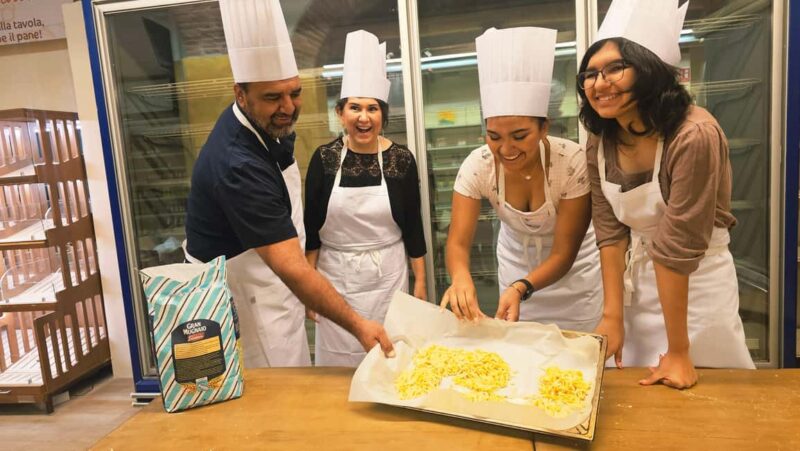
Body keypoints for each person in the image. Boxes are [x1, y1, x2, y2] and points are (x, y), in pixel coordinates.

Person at [184, 0, 393, 368]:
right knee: (274, 393)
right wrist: (358, 324)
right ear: (240, 95)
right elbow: (293, 268)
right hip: (248, 293)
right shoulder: (237, 165)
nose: (288, 106)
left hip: (273, 281)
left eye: (294, 92)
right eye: (272, 97)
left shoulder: (269, 126)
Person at [580, 0, 755, 389]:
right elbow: (609, 230)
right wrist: (613, 315)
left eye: (614, 69)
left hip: (697, 284)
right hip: (639, 284)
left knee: (709, 400)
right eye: (590, 73)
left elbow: (678, 246)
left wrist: (678, 351)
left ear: (651, 70)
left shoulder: (693, 135)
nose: (598, 82)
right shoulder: (600, 140)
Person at [441, 27, 603, 332]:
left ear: (544, 128)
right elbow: (458, 242)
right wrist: (461, 278)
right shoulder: (479, 165)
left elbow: (563, 252)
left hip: (574, 276)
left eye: (520, 136)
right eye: (494, 137)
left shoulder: (571, 162)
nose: (506, 149)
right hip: (515, 267)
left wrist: (521, 287)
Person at [304, 30, 427, 367]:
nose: (364, 116)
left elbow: (413, 227)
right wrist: (309, 292)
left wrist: (421, 283)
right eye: (355, 107)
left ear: (382, 116)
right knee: (338, 367)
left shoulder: (400, 159)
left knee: (391, 359)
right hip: (336, 279)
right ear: (340, 113)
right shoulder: (325, 159)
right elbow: (312, 229)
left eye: (372, 108)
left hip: (389, 276)